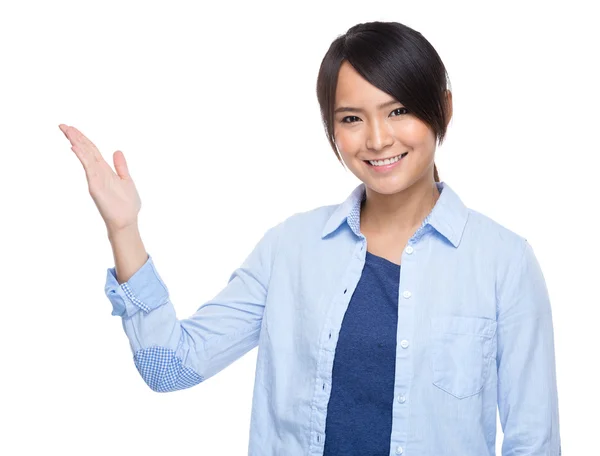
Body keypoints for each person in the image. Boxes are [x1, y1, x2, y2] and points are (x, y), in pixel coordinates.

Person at [60, 20, 561, 456]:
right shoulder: (291, 249)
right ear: (332, 129)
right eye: (351, 119)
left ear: (443, 110)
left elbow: (533, 443)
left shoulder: (503, 263)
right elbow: (169, 367)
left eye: (398, 110)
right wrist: (123, 229)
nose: (378, 138)